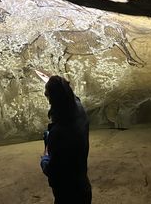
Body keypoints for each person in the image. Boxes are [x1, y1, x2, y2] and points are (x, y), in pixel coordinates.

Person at [40, 75, 92, 204]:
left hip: (67, 194)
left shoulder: (58, 133)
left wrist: (45, 156)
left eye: (48, 95)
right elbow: (68, 94)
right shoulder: (79, 110)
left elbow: (51, 170)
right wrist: (55, 81)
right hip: (83, 186)